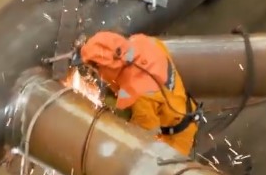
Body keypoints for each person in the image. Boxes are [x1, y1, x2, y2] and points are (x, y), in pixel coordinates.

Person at [71, 31, 202, 156]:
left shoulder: (140, 96)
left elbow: (144, 136)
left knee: (152, 169)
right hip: (181, 104)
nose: (97, 74)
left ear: (107, 67)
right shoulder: (142, 41)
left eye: (95, 70)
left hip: (175, 137)